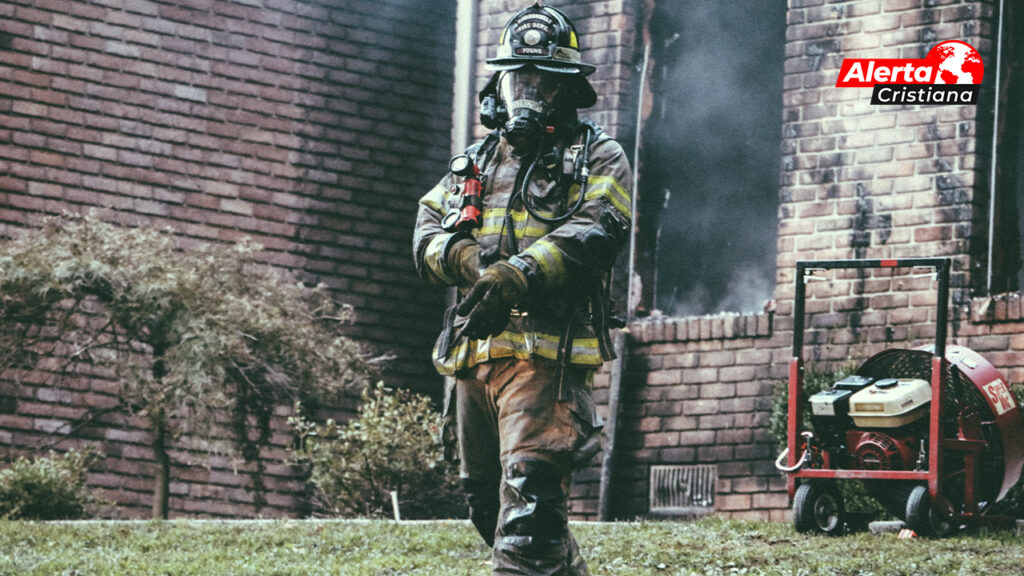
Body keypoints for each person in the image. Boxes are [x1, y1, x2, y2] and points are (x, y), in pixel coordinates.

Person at [413, 2, 633, 574]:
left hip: (547, 357)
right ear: (500, 84)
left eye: (540, 80)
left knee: (529, 513)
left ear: (566, 88)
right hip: (475, 356)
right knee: (489, 506)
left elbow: (596, 229)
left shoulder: (597, 157)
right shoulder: (475, 163)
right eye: (518, 78)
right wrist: (465, 259)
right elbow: (425, 231)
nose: (527, 92)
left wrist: (518, 273)